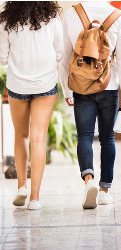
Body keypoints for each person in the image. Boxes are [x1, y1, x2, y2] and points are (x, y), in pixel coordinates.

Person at [60, 1, 121, 209]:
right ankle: (104, 191)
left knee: (84, 136)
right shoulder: (118, 17)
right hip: (109, 86)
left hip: (81, 87)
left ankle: (88, 179)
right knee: (107, 138)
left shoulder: (71, 14)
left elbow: (65, 58)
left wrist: (67, 89)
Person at [0, 2, 63, 209]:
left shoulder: (6, 20)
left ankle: (21, 187)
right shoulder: (52, 18)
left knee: (21, 135)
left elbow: (1, 57)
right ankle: (35, 198)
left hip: (17, 84)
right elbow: (60, 52)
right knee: (38, 138)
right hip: (45, 82)